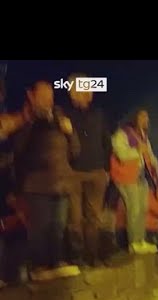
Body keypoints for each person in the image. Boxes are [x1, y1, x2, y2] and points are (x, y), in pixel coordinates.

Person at [12, 81, 81, 281]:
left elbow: (75, 152)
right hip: (37, 184)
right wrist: (29, 121)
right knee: (40, 228)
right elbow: (19, 151)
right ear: (32, 97)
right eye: (42, 96)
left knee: (58, 226)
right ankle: (39, 266)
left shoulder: (60, 118)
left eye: (50, 96)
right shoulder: (26, 120)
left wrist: (70, 133)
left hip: (61, 182)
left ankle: (57, 261)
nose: (47, 101)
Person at [64, 73, 115, 266]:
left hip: (96, 173)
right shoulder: (65, 116)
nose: (87, 92)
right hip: (73, 172)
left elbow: (107, 142)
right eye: (79, 88)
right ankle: (77, 257)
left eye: (87, 88)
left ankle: (91, 256)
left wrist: (106, 170)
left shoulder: (99, 114)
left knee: (94, 218)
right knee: (75, 218)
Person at [110, 109, 157, 255]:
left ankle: (140, 240)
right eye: (142, 116)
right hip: (126, 176)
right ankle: (134, 243)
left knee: (142, 209)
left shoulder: (143, 137)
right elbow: (121, 154)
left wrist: (155, 163)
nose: (146, 120)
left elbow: (149, 154)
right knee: (134, 209)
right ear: (134, 117)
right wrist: (138, 151)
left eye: (147, 117)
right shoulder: (123, 133)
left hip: (141, 176)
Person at [0, 169, 27, 287]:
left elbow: (11, 196)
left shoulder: (7, 174)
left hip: (9, 216)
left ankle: (13, 274)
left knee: (14, 242)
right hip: (7, 215)